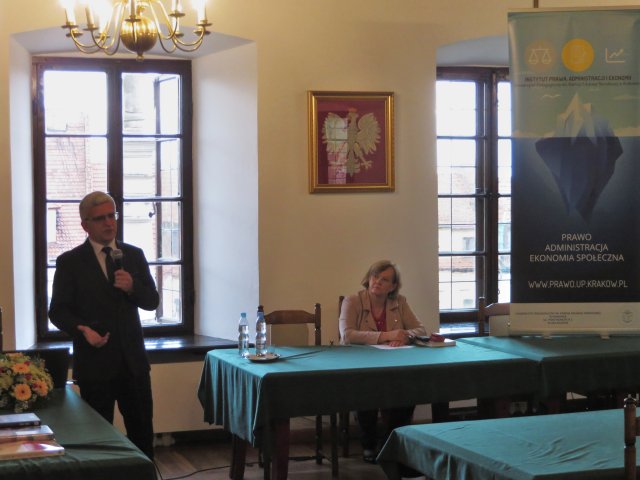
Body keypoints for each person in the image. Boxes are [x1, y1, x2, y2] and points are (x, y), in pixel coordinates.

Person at [49, 191, 159, 459]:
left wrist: (132, 287)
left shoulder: (133, 255)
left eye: (112, 215)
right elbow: (58, 311)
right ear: (85, 224)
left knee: (143, 434)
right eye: (100, 218)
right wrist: (82, 330)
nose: (109, 223)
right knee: (98, 442)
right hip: (95, 366)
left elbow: (152, 301)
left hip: (133, 364)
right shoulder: (70, 262)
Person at [339, 259, 428, 463]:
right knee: (366, 388)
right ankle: (368, 444)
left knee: (408, 388)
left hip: (392, 364)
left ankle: (390, 442)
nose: (377, 281)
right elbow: (347, 335)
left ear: (393, 286)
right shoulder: (352, 301)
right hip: (360, 364)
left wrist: (405, 336)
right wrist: (387, 335)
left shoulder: (400, 302)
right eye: (375, 276)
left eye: (384, 279)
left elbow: (421, 330)